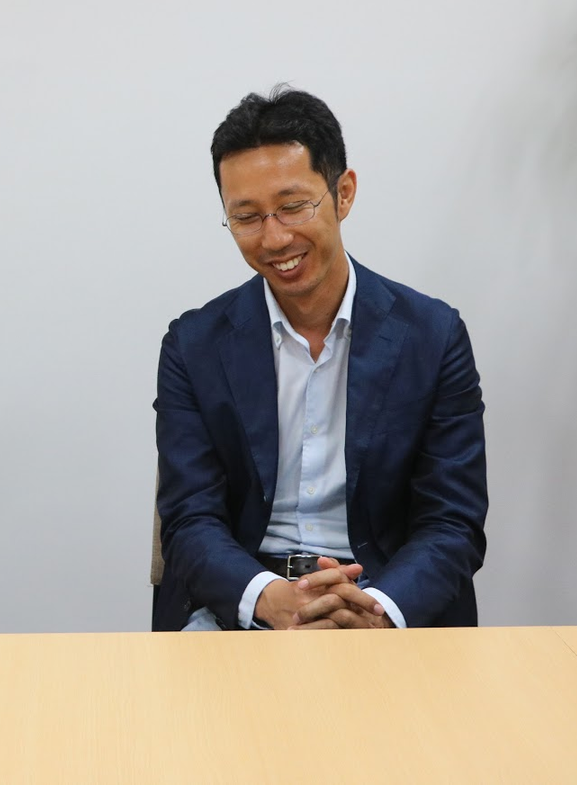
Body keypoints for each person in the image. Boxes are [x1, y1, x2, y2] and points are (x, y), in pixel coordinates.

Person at [153, 87, 487, 631]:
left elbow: (452, 522)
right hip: (244, 599)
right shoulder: (194, 345)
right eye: (246, 217)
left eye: (293, 207)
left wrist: (375, 611)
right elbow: (190, 520)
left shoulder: (433, 336)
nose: (274, 238)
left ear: (343, 193)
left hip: (383, 596)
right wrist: (271, 600)